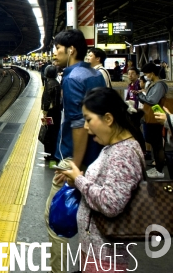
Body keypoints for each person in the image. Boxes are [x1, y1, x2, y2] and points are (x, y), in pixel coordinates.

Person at [59, 87, 144, 272]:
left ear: (108, 118)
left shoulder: (124, 154)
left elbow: (111, 204)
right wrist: (76, 180)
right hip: (96, 251)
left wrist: (80, 180)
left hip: (106, 259)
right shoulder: (112, 148)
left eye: (89, 120)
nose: (86, 127)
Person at [45, 29, 106, 273]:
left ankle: (57, 269)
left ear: (71, 50)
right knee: (88, 219)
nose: (54, 54)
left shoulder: (71, 78)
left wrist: (75, 170)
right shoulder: (94, 74)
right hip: (96, 158)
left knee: (55, 219)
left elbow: (79, 125)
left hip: (74, 157)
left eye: (57, 49)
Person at [137, 62, 168, 178]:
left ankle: (159, 171)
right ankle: (157, 169)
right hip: (152, 117)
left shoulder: (159, 85)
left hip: (156, 118)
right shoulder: (154, 84)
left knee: (158, 145)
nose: (145, 76)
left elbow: (152, 100)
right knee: (155, 144)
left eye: (146, 74)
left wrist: (141, 96)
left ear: (152, 73)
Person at [41, 65, 62, 166]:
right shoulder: (56, 83)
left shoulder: (49, 83)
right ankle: (53, 154)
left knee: (49, 132)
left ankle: (51, 156)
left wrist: (44, 112)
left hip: (50, 113)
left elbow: (47, 100)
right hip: (56, 112)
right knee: (54, 133)